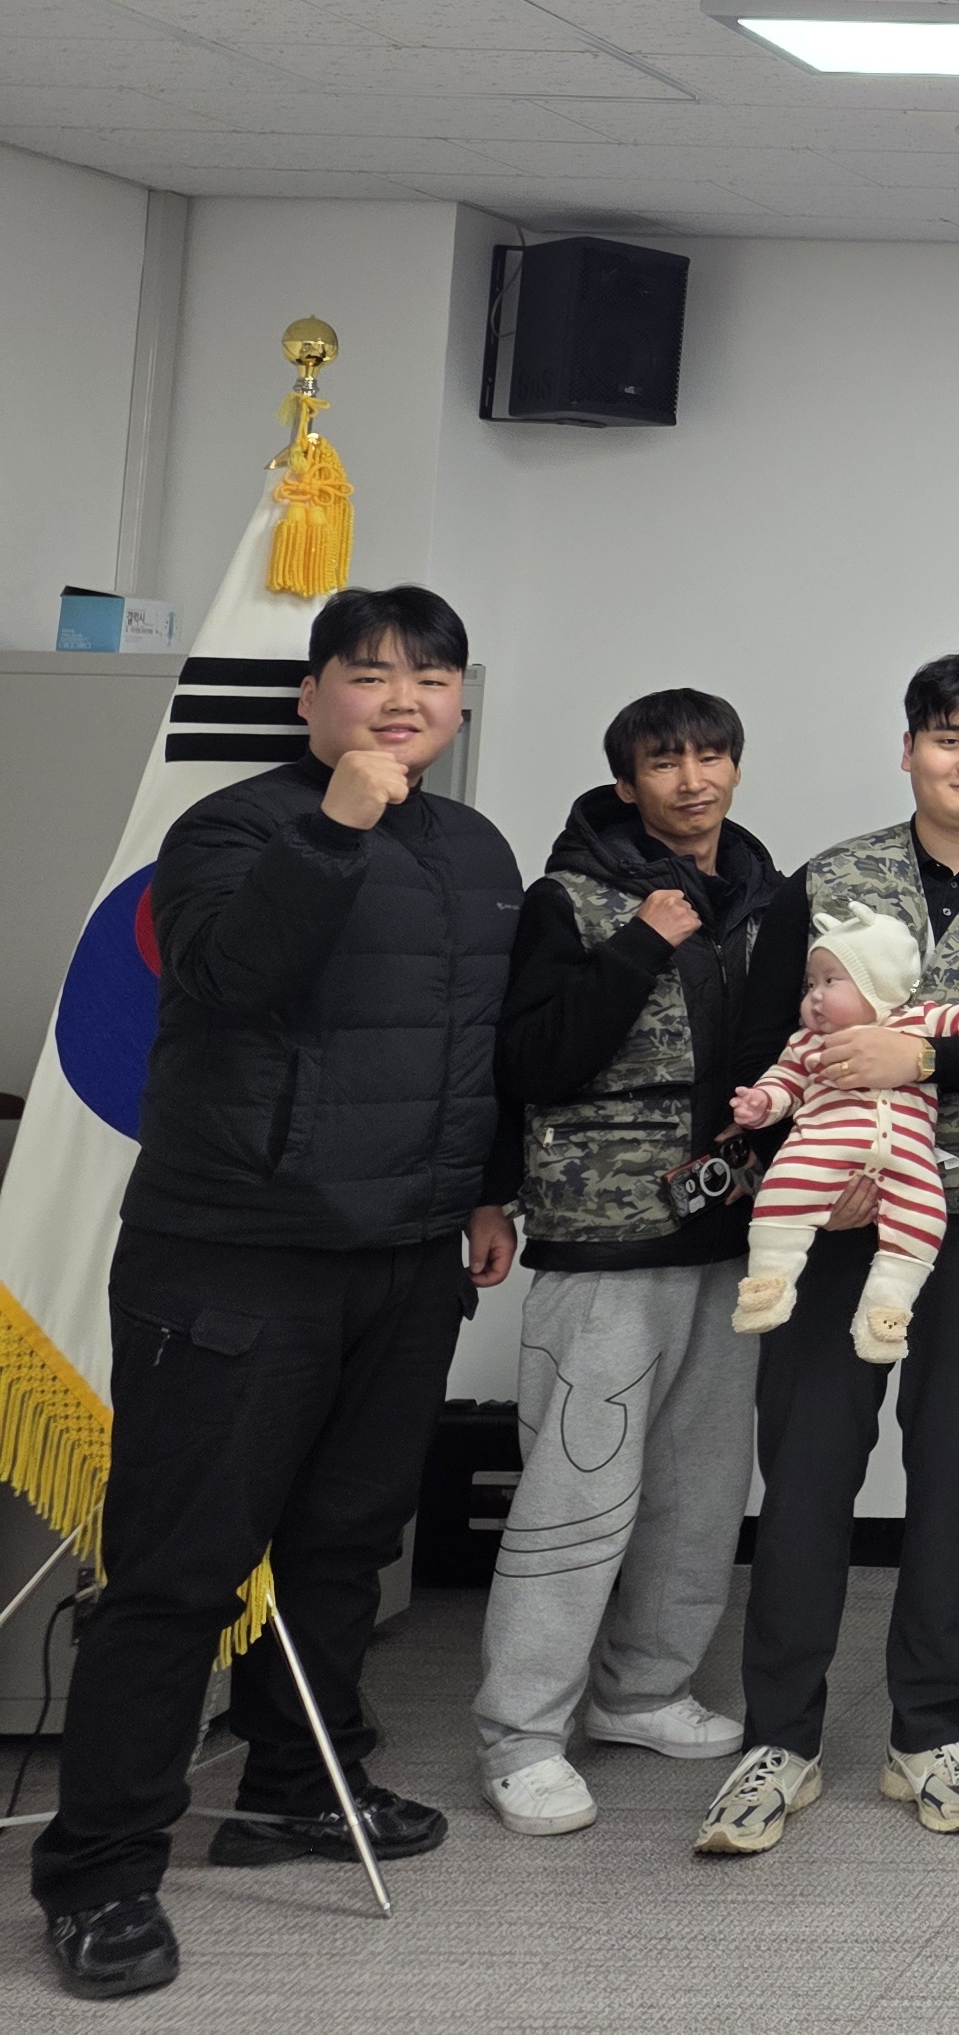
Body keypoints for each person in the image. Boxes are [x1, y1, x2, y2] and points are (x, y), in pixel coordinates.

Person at [33, 585, 521, 2003]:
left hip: (406, 1258)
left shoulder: (475, 846)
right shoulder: (234, 828)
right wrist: (338, 827)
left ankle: (296, 1790)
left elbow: (472, 1044)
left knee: (342, 1545)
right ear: (311, 698)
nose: (404, 698)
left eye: (432, 677)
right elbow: (227, 979)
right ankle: (101, 1871)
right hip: (234, 1257)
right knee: (177, 1571)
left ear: (459, 702)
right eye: (369, 673)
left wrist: (485, 1188)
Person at [694, 648, 959, 1859]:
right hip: (835, 1220)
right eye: (948, 737)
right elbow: (758, 1037)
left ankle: (930, 1733)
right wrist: (798, 1172)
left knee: (956, 1475)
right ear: (908, 748)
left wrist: (920, 1056)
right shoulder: (827, 877)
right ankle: (779, 1740)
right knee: (808, 1473)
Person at [472, 687, 779, 1838]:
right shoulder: (568, 899)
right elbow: (530, 1061)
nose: (693, 779)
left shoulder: (761, 895)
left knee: (701, 1490)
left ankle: (644, 1692)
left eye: (711, 756)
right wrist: (645, 942)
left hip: (731, 1235)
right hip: (603, 1241)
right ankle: (519, 1737)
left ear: (735, 767)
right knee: (577, 1492)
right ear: (626, 782)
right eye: (665, 761)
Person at [722, 913, 959, 1352]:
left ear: (878, 984)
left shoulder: (917, 1023)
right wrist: (762, 1103)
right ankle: (767, 1284)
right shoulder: (806, 1043)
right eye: (810, 984)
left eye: (830, 981)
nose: (815, 995)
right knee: (783, 1188)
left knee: (925, 1220)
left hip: (909, 1161)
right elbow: (784, 1082)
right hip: (820, 1149)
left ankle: (886, 1315)